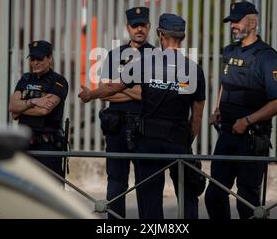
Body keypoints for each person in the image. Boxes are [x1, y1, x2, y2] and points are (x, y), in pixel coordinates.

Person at [79, 13, 206, 219]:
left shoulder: (146, 63)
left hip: (149, 143)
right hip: (179, 141)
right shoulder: (194, 70)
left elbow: (112, 87)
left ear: (160, 34)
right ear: (181, 36)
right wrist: (186, 140)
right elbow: (197, 114)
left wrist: (90, 95)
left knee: (150, 200)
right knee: (188, 196)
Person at [204, 1, 277, 219]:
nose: (233, 25)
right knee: (214, 194)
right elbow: (225, 83)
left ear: (253, 22)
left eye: (237, 20)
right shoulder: (229, 50)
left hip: (251, 138)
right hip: (227, 134)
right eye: (231, 21)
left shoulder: (266, 56)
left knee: (247, 201)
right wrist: (217, 109)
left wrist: (247, 121)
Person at [99, 6, 154, 219]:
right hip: (117, 128)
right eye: (134, 25)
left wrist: (119, 86)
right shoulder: (115, 56)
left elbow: (151, 96)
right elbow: (104, 93)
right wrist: (137, 89)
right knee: (115, 183)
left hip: (145, 128)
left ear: (149, 27)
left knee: (146, 184)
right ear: (128, 28)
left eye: (142, 25)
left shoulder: (157, 57)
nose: (139, 29)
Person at [9, 40, 69, 178]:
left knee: (49, 190)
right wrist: (34, 101)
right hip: (25, 145)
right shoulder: (25, 79)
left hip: (47, 148)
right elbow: (12, 108)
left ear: (49, 59)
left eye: (40, 59)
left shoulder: (58, 81)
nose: (35, 62)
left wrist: (21, 108)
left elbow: (44, 110)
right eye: (33, 59)